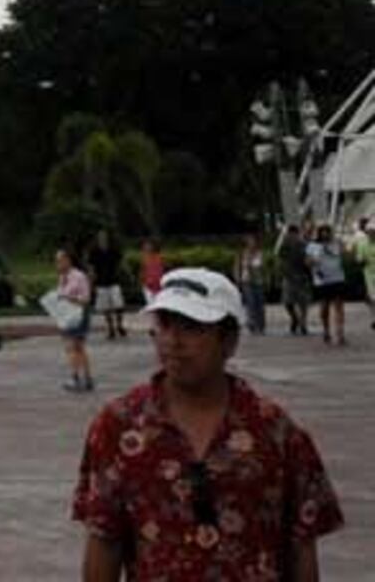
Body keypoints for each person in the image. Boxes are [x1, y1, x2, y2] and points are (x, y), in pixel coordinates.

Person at [73, 263, 342, 582]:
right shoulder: (119, 426)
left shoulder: (275, 431)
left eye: (191, 327)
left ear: (229, 341)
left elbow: (301, 547)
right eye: (165, 325)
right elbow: (104, 541)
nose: (173, 341)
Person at [55, 244, 99, 394]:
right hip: (68, 313)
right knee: (76, 347)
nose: (58, 264)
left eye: (60, 260)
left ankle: (77, 378)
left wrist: (68, 298)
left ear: (68, 260)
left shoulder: (79, 276)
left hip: (79, 313)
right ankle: (85, 378)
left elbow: (85, 299)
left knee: (75, 346)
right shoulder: (62, 278)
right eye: (57, 261)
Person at [310, 226, 352, 350]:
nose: (325, 234)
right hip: (322, 281)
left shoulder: (336, 243)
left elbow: (348, 255)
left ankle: (340, 333)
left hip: (338, 279)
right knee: (324, 309)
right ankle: (326, 330)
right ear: (319, 234)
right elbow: (307, 262)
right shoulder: (313, 246)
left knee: (339, 307)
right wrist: (313, 261)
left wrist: (345, 246)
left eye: (327, 232)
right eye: (322, 232)